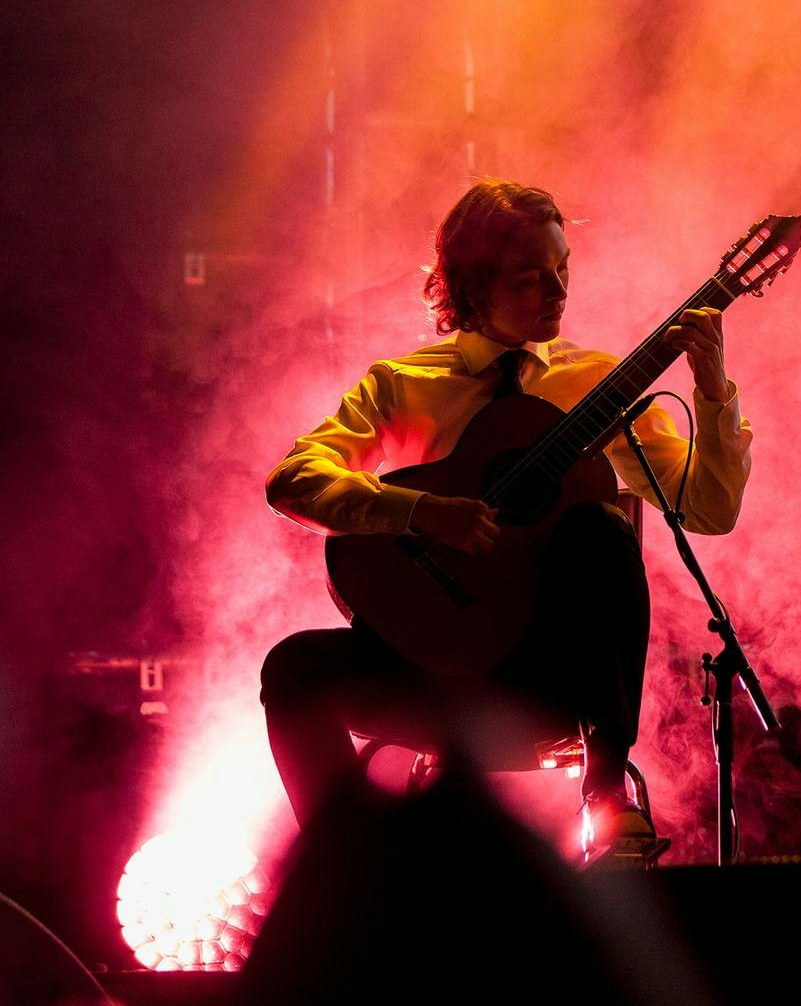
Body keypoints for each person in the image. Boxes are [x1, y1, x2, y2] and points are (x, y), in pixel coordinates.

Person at [260, 179, 753, 848]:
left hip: (544, 679)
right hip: (427, 674)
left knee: (601, 529)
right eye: (530, 279)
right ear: (471, 288)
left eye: (563, 269)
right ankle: (346, 859)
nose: (558, 291)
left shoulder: (598, 384)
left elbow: (709, 510)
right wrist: (420, 511)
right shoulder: (403, 383)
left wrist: (715, 393)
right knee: (293, 669)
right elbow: (294, 482)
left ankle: (607, 801)